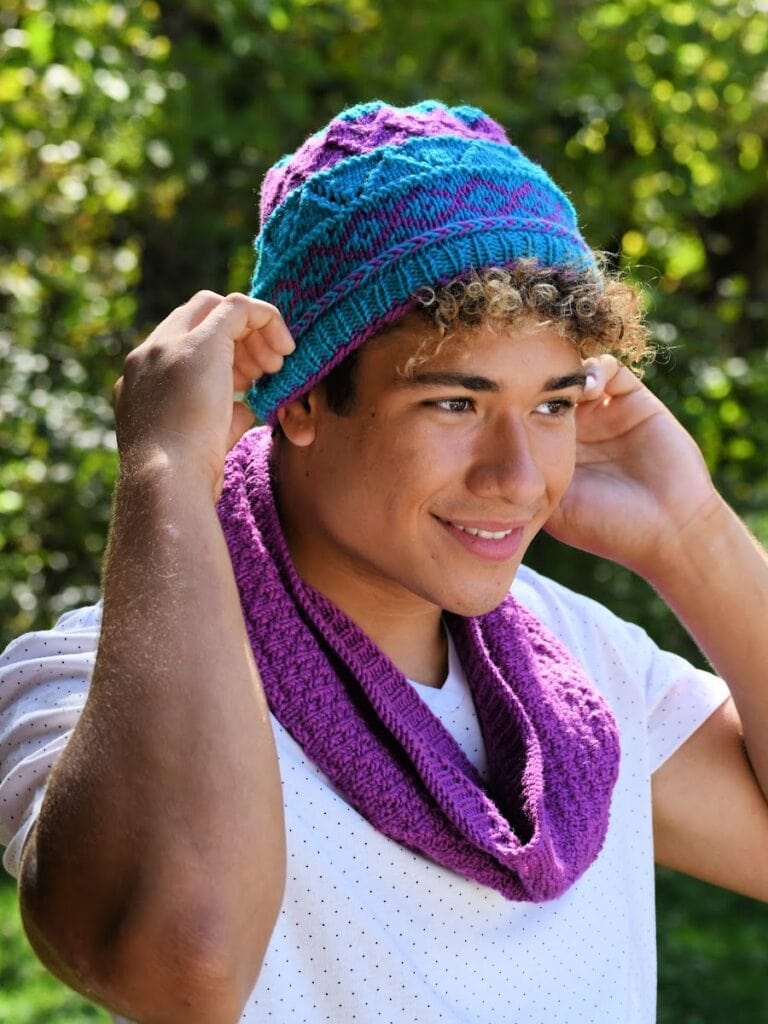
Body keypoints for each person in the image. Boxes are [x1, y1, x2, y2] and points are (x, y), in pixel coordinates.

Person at [1, 100, 767, 1024]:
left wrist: (694, 534)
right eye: (454, 403)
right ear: (303, 399)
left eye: (553, 405)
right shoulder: (86, 685)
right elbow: (181, 965)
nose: (518, 476)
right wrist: (165, 467)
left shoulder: (576, 661)